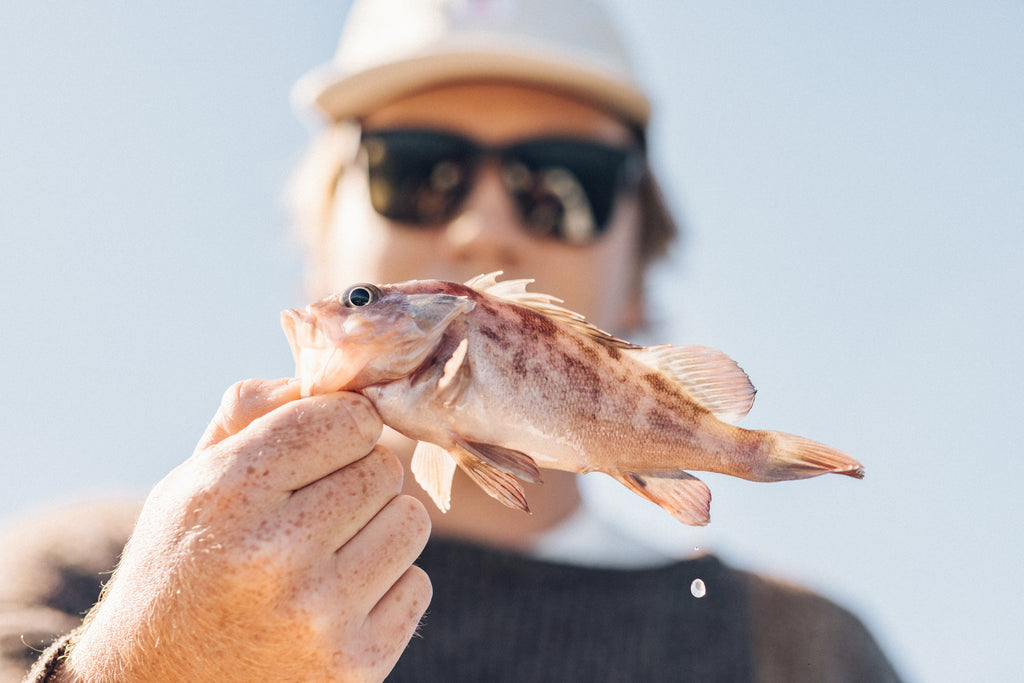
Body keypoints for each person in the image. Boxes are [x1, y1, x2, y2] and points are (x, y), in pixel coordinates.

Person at [4, 0, 903, 680]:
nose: (481, 228)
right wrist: (146, 660)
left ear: (641, 261)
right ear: (320, 232)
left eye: (563, 185)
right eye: (417, 170)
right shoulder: (75, 576)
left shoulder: (808, 653)